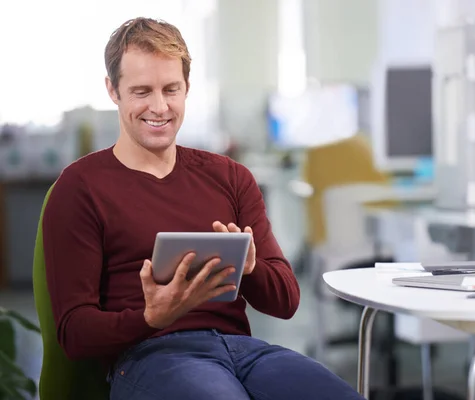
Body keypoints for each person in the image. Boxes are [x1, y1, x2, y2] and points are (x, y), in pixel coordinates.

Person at [42, 17, 365, 400]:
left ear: (187, 88)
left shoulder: (230, 177)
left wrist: (250, 269)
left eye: (171, 89)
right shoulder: (80, 186)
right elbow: (74, 334)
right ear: (113, 90)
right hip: (148, 355)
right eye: (142, 91)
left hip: (242, 351)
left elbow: (286, 301)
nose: (159, 107)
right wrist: (150, 318)